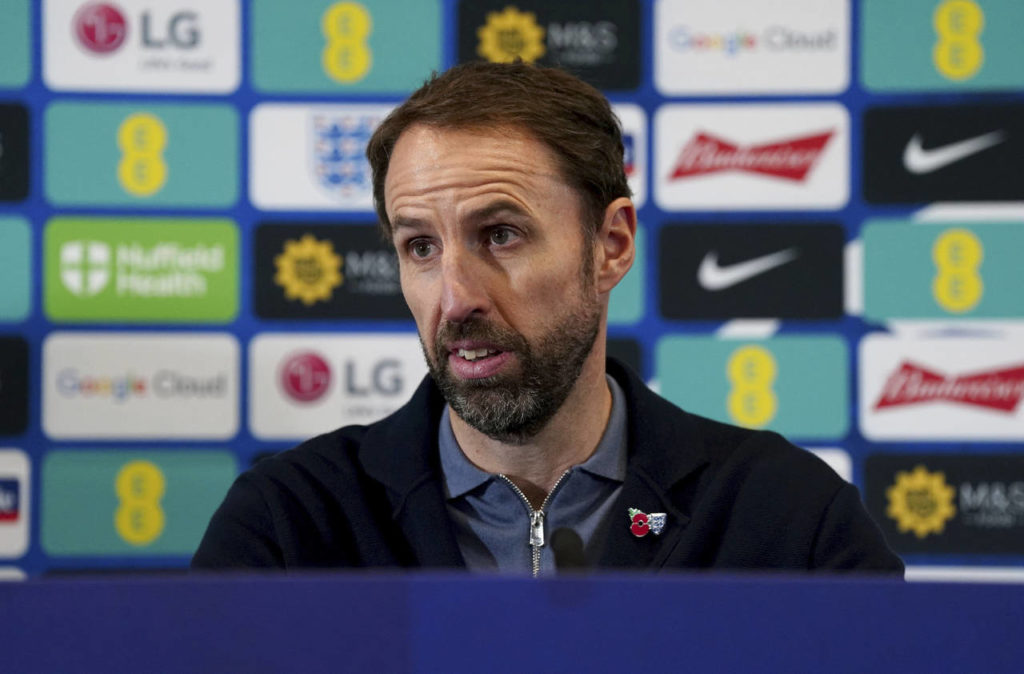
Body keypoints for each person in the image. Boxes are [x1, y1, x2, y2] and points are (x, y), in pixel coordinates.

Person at [193, 62, 903, 576]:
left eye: (501, 235)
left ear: (611, 245)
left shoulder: (788, 518)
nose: (456, 298)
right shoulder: (289, 524)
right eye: (420, 247)